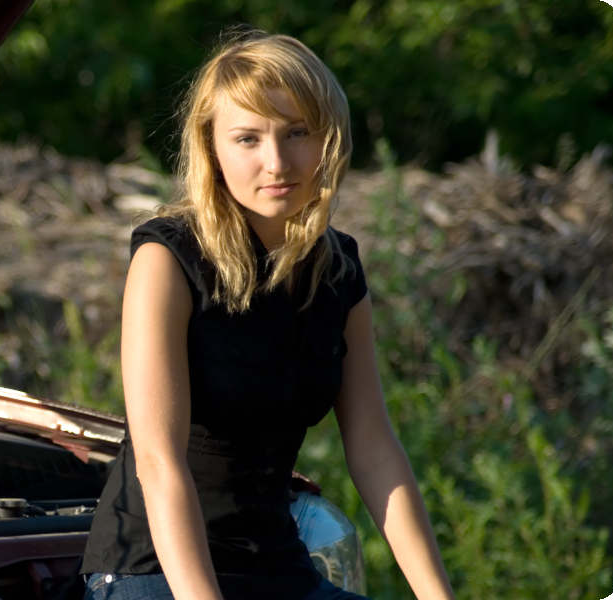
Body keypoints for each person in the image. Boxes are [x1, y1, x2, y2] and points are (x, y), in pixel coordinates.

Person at [80, 30, 455, 600]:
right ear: (212, 148)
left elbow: (374, 445)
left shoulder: (338, 269)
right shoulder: (167, 258)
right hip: (157, 571)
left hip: (277, 568)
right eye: (248, 138)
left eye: (297, 132)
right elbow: (158, 462)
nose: (276, 161)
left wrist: (438, 595)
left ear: (328, 139)